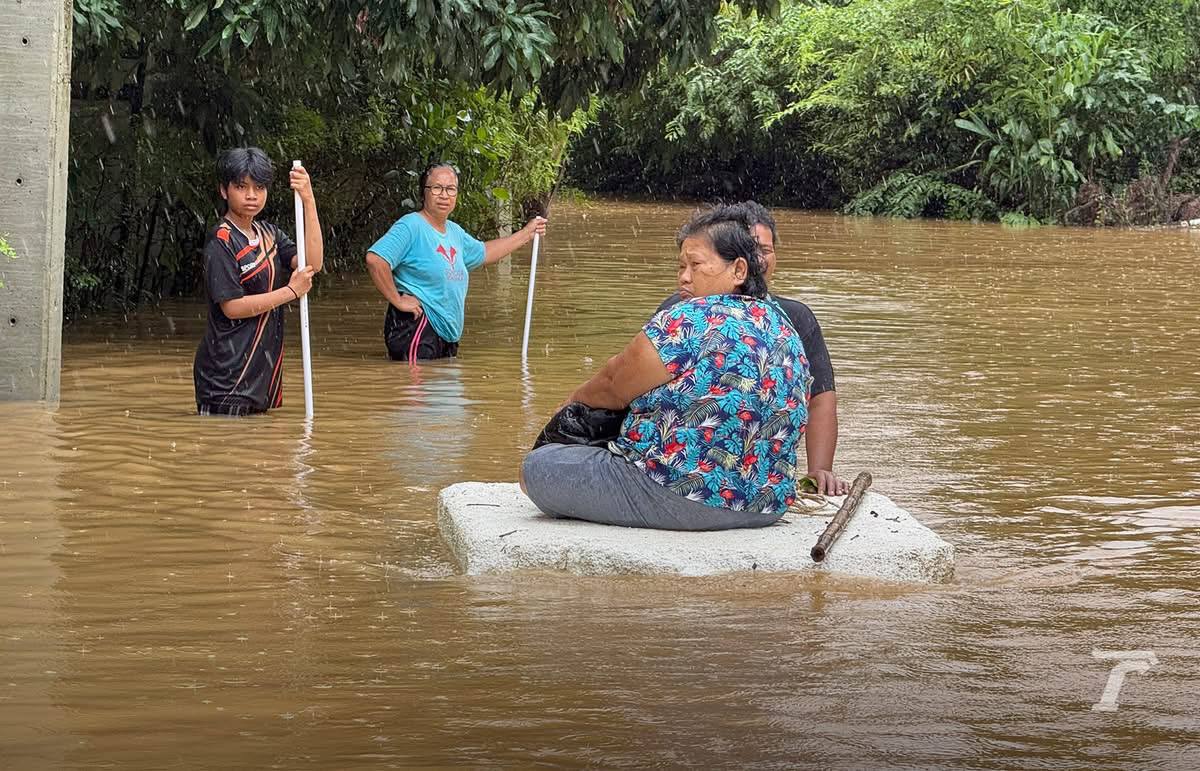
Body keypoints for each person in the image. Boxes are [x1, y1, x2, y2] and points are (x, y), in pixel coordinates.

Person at [520, 205, 811, 531]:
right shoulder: (782, 323)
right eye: (681, 266)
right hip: (767, 505)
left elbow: (615, 382)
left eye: (696, 265)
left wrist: (571, 402)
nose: (684, 276)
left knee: (537, 467)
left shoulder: (688, 317)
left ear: (739, 270)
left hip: (681, 498)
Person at [657, 201, 847, 495]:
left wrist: (818, 471)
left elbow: (820, 399)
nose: (759, 259)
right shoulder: (679, 310)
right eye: (751, 248)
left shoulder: (794, 318)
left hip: (753, 483)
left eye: (766, 250)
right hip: (685, 470)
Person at [364, 162, 547, 360]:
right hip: (417, 324)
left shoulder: (454, 232)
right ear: (424, 192)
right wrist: (397, 300)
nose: (444, 195)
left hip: (447, 333)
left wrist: (526, 234)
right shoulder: (411, 226)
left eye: (450, 189)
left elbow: (484, 252)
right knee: (415, 386)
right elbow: (376, 259)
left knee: (445, 386)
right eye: (436, 188)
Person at [193, 147, 323, 416]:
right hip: (226, 376)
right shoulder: (221, 241)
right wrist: (290, 291)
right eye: (242, 187)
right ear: (224, 191)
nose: (252, 195)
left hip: (260, 372)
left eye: (259, 187)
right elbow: (233, 307)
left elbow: (313, 263)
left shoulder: (270, 234)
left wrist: (308, 200)